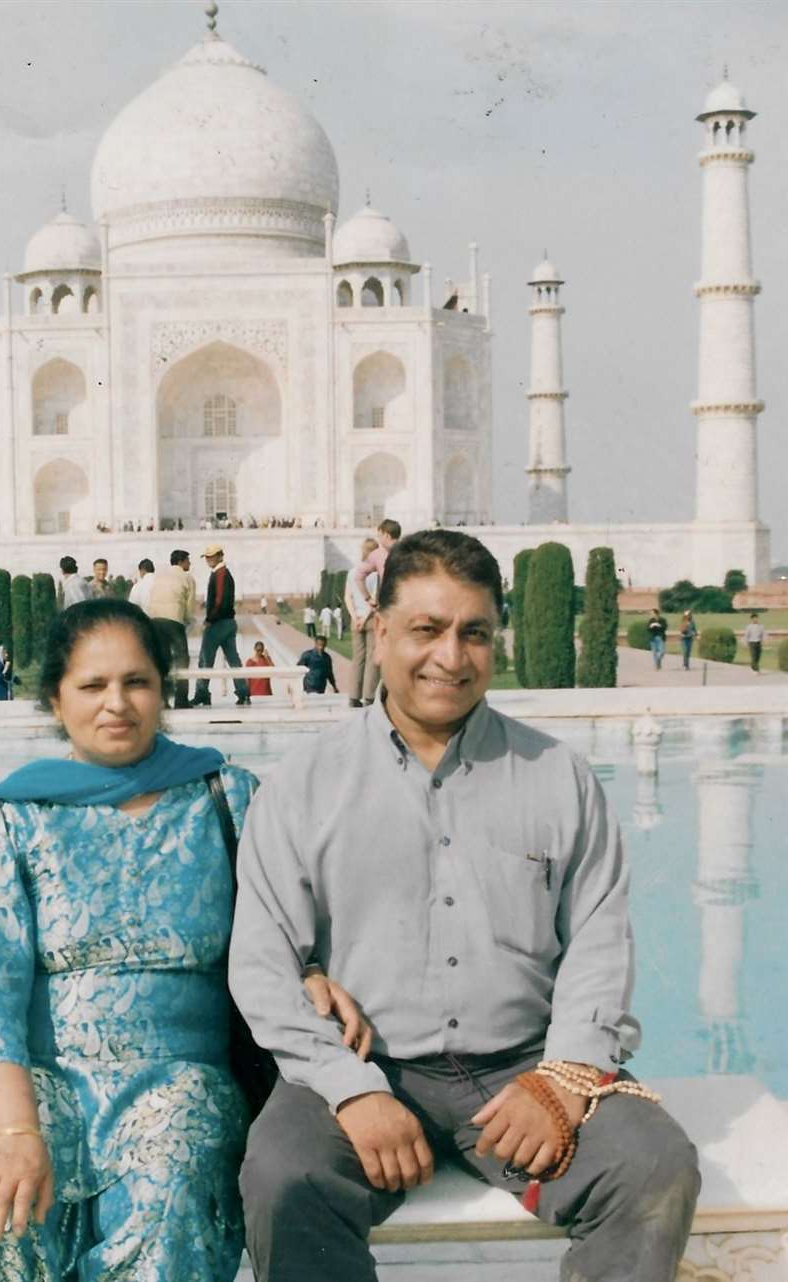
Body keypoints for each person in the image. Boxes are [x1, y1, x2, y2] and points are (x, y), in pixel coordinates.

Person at [0, 598, 368, 1282]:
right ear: (56, 700)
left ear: (162, 691)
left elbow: (284, 931)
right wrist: (14, 1134)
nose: (116, 703)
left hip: (179, 1081)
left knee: (176, 1174)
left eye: (136, 682)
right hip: (34, 1085)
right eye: (92, 686)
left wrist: (311, 972)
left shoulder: (226, 800)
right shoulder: (8, 821)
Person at [230, 528, 700, 1282]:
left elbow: (599, 941)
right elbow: (262, 961)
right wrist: (353, 1093)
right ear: (379, 632)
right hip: (366, 1063)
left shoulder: (555, 777)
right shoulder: (307, 784)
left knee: (653, 1167)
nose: (451, 656)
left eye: (473, 633)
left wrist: (563, 1075)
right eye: (426, 629)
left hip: (523, 1063)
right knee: (285, 1179)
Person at [191, 545, 250, 708]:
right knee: (233, 660)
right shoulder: (221, 573)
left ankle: (202, 694)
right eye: (207, 557)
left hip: (219, 623)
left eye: (211, 556)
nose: (208, 559)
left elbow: (220, 600)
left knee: (205, 659)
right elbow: (219, 597)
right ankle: (243, 693)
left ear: (219, 556)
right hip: (228, 622)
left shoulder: (221, 573)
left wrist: (210, 618)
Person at [147, 549, 196, 710]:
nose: (189, 563)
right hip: (174, 619)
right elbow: (189, 606)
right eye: (188, 560)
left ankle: (163, 700)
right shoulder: (187, 577)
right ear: (181, 562)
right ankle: (181, 699)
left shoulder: (160, 576)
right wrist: (188, 621)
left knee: (163, 660)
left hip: (155, 619)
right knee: (182, 659)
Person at [345, 537, 381, 708]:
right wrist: (365, 618)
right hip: (371, 618)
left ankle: (353, 696)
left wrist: (355, 618)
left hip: (356, 618)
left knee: (357, 658)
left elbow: (348, 597)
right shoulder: (376, 574)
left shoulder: (353, 572)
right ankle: (369, 696)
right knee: (372, 658)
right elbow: (374, 599)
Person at [351, 518, 402, 609]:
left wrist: (368, 599)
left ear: (386, 535)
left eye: (379, 536)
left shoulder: (377, 555)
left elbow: (358, 577)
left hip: (389, 604)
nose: (379, 540)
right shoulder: (411, 550)